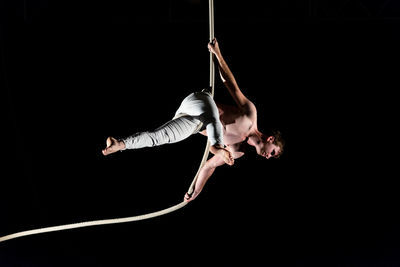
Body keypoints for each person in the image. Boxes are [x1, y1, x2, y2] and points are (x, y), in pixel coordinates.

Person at [102, 38, 285, 203]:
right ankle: (216, 146)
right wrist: (218, 54)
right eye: (273, 152)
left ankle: (120, 144)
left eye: (271, 157)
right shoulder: (250, 115)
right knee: (215, 122)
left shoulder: (237, 152)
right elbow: (231, 85)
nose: (268, 157)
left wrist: (195, 192)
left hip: (194, 123)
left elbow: (208, 167)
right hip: (202, 102)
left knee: (160, 138)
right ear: (270, 139)